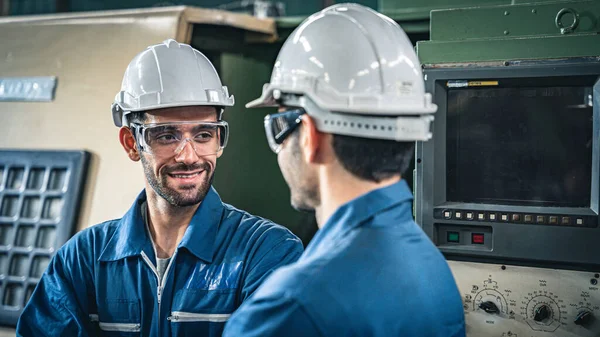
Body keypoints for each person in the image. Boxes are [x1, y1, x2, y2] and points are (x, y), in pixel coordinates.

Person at [17, 39, 303, 337]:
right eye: (167, 136)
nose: (189, 156)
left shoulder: (266, 252)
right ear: (132, 143)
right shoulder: (83, 260)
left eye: (204, 134)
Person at [223, 4, 466, 337]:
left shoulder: (290, 309)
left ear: (310, 136)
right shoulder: (434, 269)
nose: (279, 147)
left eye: (279, 123)